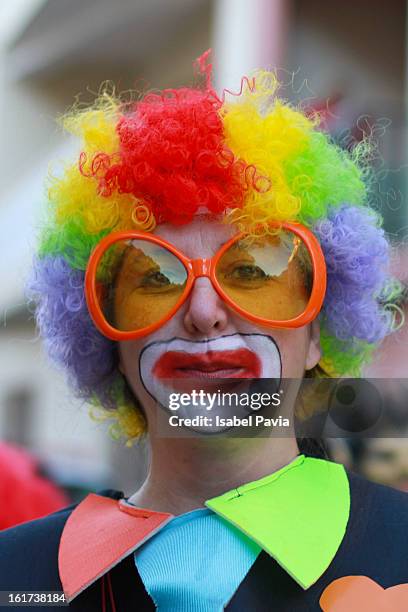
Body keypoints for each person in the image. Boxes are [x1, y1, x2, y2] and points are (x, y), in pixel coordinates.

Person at [1, 53, 407, 611]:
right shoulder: (15, 579)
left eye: (252, 270)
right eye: (156, 275)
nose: (204, 311)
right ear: (108, 340)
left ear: (318, 329)